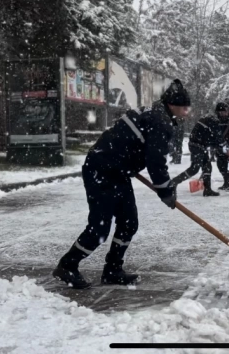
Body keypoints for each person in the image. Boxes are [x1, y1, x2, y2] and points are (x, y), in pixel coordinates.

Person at [52, 79, 191, 289]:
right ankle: (67, 265)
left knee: (128, 222)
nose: (186, 112)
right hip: (102, 169)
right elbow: (155, 160)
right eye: (184, 107)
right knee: (99, 228)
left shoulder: (154, 113)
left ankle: (113, 270)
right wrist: (165, 191)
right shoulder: (159, 121)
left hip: (118, 172)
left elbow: (137, 147)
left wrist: (132, 164)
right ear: (173, 105)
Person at [170, 103, 229, 196]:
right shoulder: (213, 120)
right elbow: (218, 137)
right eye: (225, 112)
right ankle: (173, 183)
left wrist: (218, 146)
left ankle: (207, 189)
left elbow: (212, 137)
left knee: (207, 167)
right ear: (220, 112)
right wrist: (225, 148)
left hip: (201, 145)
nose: (226, 114)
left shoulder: (213, 119)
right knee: (194, 168)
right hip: (196, 145)